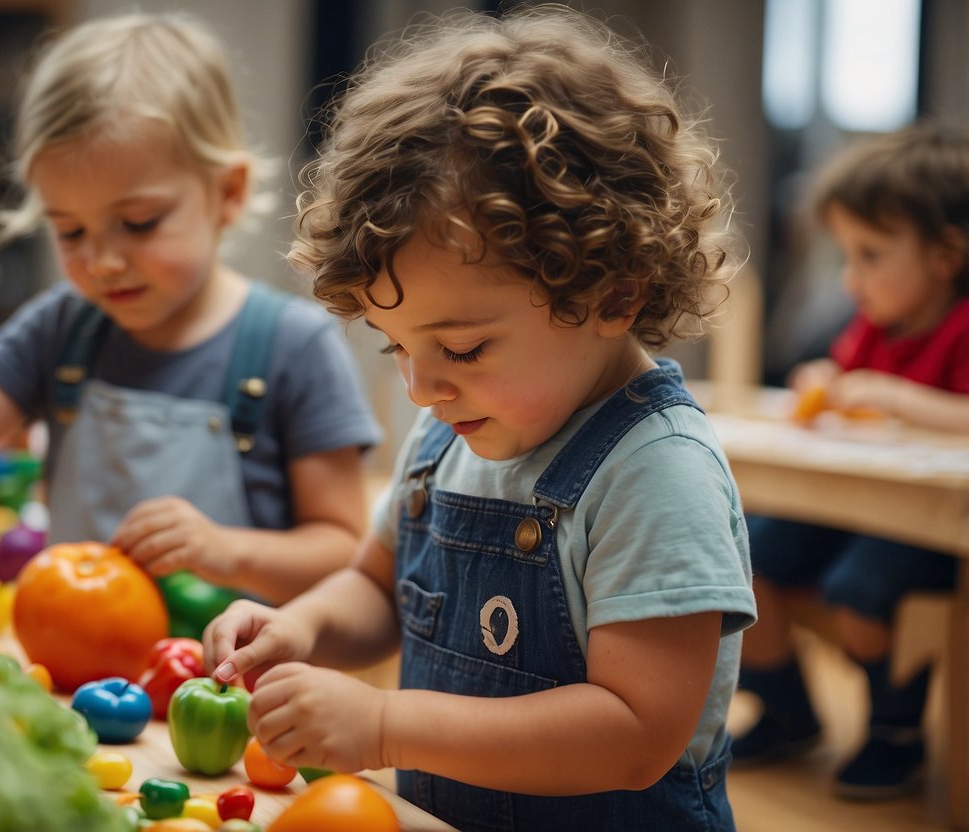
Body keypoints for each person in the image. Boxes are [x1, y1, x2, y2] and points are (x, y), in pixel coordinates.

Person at [203, 8, 755, 832]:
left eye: (461, 349)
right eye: (395, 347)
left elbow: (635, 733)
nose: (421, 389)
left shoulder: (655, 472)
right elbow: (376, 590)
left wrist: (386, 725)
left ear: (612, 293)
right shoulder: (449, 434)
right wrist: (301, 627)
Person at [0, 13, 381, 613]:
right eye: (71, 231)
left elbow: (342, 551)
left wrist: (225, 551)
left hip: (227, 701)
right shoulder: (64, 325)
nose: (103, 262)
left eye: (137, 223)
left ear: (228, 192)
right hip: (68, 683)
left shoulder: (295, 347)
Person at [733, 125, 969, 799]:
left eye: (868, 255)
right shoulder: (872, 325)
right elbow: (837, 382)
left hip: (928, 523)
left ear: (945, 256)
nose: (849, 277)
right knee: (742, 557)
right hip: (853, 505)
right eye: (846, 254)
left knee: (860, 596)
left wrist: (897, 397)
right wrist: (822, 382)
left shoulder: (956, 328)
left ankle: (893, 733)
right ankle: (785, 709)